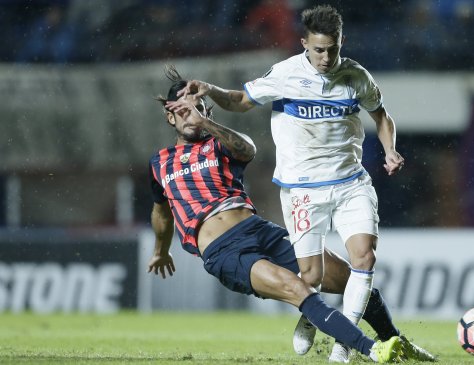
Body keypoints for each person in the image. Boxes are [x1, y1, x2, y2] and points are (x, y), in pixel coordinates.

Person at [147, 65, 436, 363]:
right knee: (299, 289)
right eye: (182, 111)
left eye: (198, 109)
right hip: (224, 252)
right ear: (170, 117)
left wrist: (206, 124)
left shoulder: (218, 143)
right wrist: (160, 251)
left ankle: (396, 341)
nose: (191, 116)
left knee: (353, 281)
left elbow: (247, 150)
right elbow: (161, 213)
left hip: (258, 230)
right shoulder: (159, 164)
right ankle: (372, 350)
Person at [170, 5, 405, 362]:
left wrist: (390, 149)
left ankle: (345, 344)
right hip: (302, 189)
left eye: (333, 49)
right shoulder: (285, 74)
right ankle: (312, 316)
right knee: (310, 274)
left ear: (342, 42)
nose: (326, 58)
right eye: (318, 50)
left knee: (364, 257)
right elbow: (240, 100)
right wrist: (210, 89)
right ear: (304, 44)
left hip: (349, 182)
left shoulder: (357, 76)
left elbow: (381, 114)